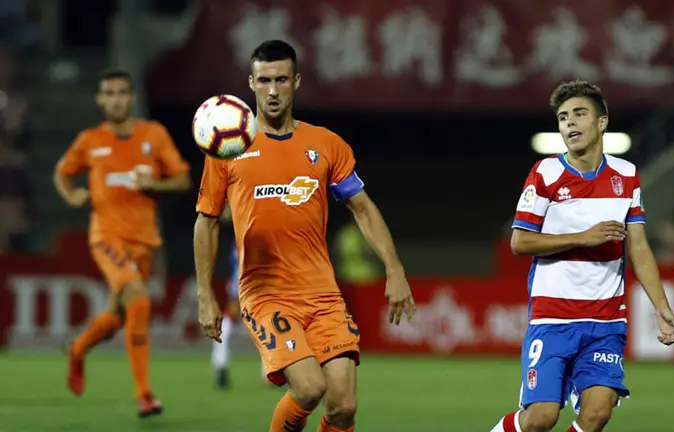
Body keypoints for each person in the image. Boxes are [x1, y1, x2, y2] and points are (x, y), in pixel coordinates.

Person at [194, 40, 415, 432]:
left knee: (344, 406)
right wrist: (206, 294)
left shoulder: (326, 144)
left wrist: (394, 268)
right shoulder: (227, 148)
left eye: (281, 79)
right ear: (250, 83)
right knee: (310, 387)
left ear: (296, 81)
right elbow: (207, 221)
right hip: (265, 293)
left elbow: (362, 207)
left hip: (322, 292)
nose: (273, 90)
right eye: (264, 81)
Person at [489, 81, 674, 432]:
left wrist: (661, 306)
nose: (569, 124)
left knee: (597, 414)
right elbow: (519, 242)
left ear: (602, 123)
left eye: (579, 114)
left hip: (606, 322)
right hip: (553, 319)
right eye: (563, 118)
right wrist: (583, 237)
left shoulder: (627, 176)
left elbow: (638, 246)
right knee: (540, 419)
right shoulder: (546, 173)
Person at [53, 67, 191, 418]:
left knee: (118, 316)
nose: (115, 99)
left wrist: (153, 186)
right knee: (140, 302)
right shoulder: (90, 141)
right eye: (109, 93)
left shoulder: (153, 134)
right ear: (101, 99)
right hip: (106, 236)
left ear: (131, 97)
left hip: (143, 239)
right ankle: (145, 394)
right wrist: (71, 197)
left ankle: (78, 348)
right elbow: (62, 172)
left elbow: (182, 179)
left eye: (121, 93)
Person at [211, 205, 271, 389]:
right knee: (258, 311)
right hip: (250, 253)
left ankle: (220, 361)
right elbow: (225, 213)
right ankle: (268, 370)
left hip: (258, 253)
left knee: (246, 311)